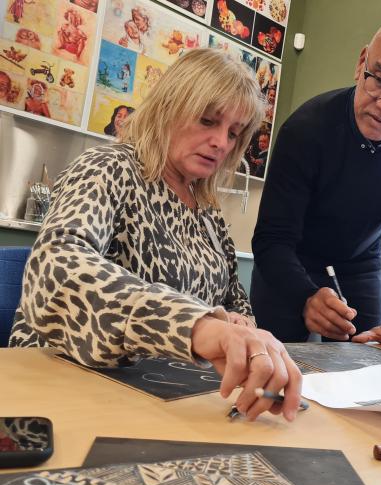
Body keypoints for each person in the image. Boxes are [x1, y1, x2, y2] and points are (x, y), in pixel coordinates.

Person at [9, 49, 302, 422]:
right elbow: (58, 267)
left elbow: (233, 299)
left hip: (161, 395)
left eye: (233, 132)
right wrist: (194, 325)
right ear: (168, 107)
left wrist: (243, 332)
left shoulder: (207, 209)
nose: (221, 142)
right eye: (207, 121)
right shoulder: (108, 168)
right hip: (68, 385)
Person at [251, 17, 381, 359]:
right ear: (361, 64)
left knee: (366, 361)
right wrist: (304, 295)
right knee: (276, 362)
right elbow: (272, 237)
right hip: (290, 258)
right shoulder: (306, 128)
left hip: (360, 261)